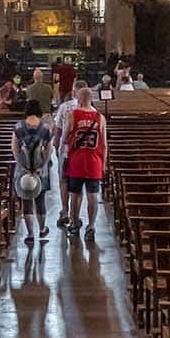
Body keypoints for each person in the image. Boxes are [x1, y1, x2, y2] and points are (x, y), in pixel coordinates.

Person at [61, 85, 107, 243]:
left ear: (79, 99)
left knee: (75, 195)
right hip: (94, 161)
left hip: (77, 161)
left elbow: (64, 137)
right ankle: (91, 226)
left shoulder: (72, 115)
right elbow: (104, 144)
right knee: (93, 195)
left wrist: (65, 148)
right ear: (91, 99)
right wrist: (104, 163)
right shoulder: (100, 117)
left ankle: (75, 224)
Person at [11, 99, 52, 244]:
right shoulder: (45, 128)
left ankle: (30, 234)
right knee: (40, 201)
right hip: (40, 169)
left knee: (26, 201)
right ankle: (42, 229)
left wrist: (21, 165)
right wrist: (43, 165)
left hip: (24, 169)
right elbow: (49, 150)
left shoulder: (18, 127)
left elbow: (14, 148)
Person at [52, 77, 88, 228]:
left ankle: (65, 211)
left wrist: (56, 146)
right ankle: (75, 215)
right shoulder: (92, 110)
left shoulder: (65, 107)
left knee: (64, 180)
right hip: (82, 151)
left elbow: (58, 130)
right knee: (78, 184)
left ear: (74, 91)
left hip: (66, 150)